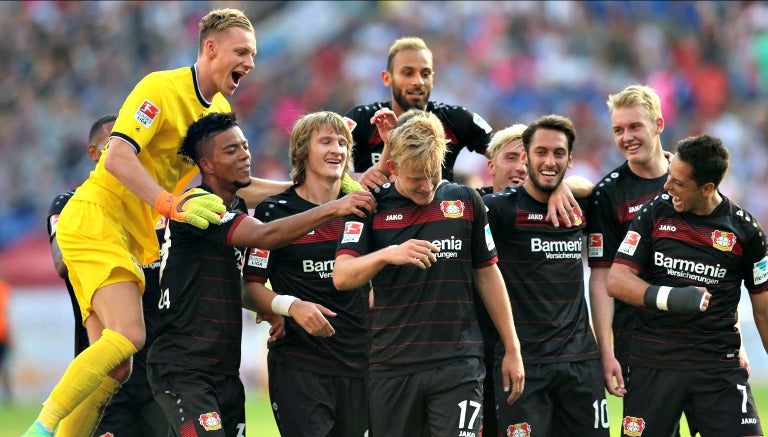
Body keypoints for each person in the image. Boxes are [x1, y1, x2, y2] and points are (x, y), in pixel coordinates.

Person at [23, 8, 283, 437]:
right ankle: (41, 429)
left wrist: (309, 186)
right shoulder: (160, 88)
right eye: (242, 52)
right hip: (97, 215)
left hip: (128, 235)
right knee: (129, 333)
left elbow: (238, 183)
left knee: (116, 366)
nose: (250, 63)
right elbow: (119, 156)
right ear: (211, 48)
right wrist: (170, 205)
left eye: (253, 55)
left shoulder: (219, 109)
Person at [147, 111, 375, 436]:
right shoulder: (199, 204)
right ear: (207, 165)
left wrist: (272, 305)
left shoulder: (236, 205)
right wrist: (333, 206)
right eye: (231, 150)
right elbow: (265, 235)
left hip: (224, 369)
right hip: (183, 366)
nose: (244, 156)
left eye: (244, 146)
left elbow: (240, 286)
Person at [333, 109, 524, 437]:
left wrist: (512, 347)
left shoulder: (465, 201)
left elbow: (488, 273)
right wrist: (388, 255)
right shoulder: (369, 206)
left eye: (432, 175)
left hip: (459, 362)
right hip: (393, 365)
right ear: (392, 168)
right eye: (416, 179)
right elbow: (342, 276)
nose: (426, 188)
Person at [606, 134, 768, 436]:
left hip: (717, 367)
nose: (667, 187)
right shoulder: (655, 212)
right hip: (654, 363)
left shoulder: (746, 231)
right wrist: (673, 298)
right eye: (670, 177)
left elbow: (764, 312)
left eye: (678, 183)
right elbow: (617, 280)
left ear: (707, 188)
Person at [242, 111, 369, 437]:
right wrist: (289, 306)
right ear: (302, 151)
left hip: (359, 363)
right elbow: (248, 288)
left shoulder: (363, 210)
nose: (337, 150)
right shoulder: (276, 210)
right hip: (300, 364)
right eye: (325, 141)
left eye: (342, 143)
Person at [483, 114, 609, 436]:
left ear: (570, 161)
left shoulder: (581, 205)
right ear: (526, 157)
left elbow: (595, 187)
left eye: (558, 154)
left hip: (581, 362)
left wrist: (567, 186)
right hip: (525, 365)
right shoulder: (499, 209)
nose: (549, 161)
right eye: (541, 152)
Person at [46, 114, 169, 436]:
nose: (124, 152)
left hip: (159, 370)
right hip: (108, 369)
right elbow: (61, 263)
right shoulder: (73, 205)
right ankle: (43, 427)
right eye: (112, 145)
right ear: (93, 154)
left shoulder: (154, 204)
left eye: (132, 144)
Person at [344, 36, 493, 190]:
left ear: (432, 79)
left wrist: (492, 200)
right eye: (408, 73)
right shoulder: (362, 118)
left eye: (425, 74)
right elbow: (321, 167)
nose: (418, 81)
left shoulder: (456, 119)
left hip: (437, 213)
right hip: (377, 212)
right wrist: (357, 178)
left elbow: (506, 153)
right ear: (387, 78)